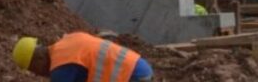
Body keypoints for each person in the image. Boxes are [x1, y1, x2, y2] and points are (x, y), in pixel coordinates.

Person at [12, 32, 154, 82]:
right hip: (139, 66)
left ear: (38, 58)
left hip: (131, 77)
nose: (38, 74)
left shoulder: (60, 69)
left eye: (33, 69)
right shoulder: (68, 41)